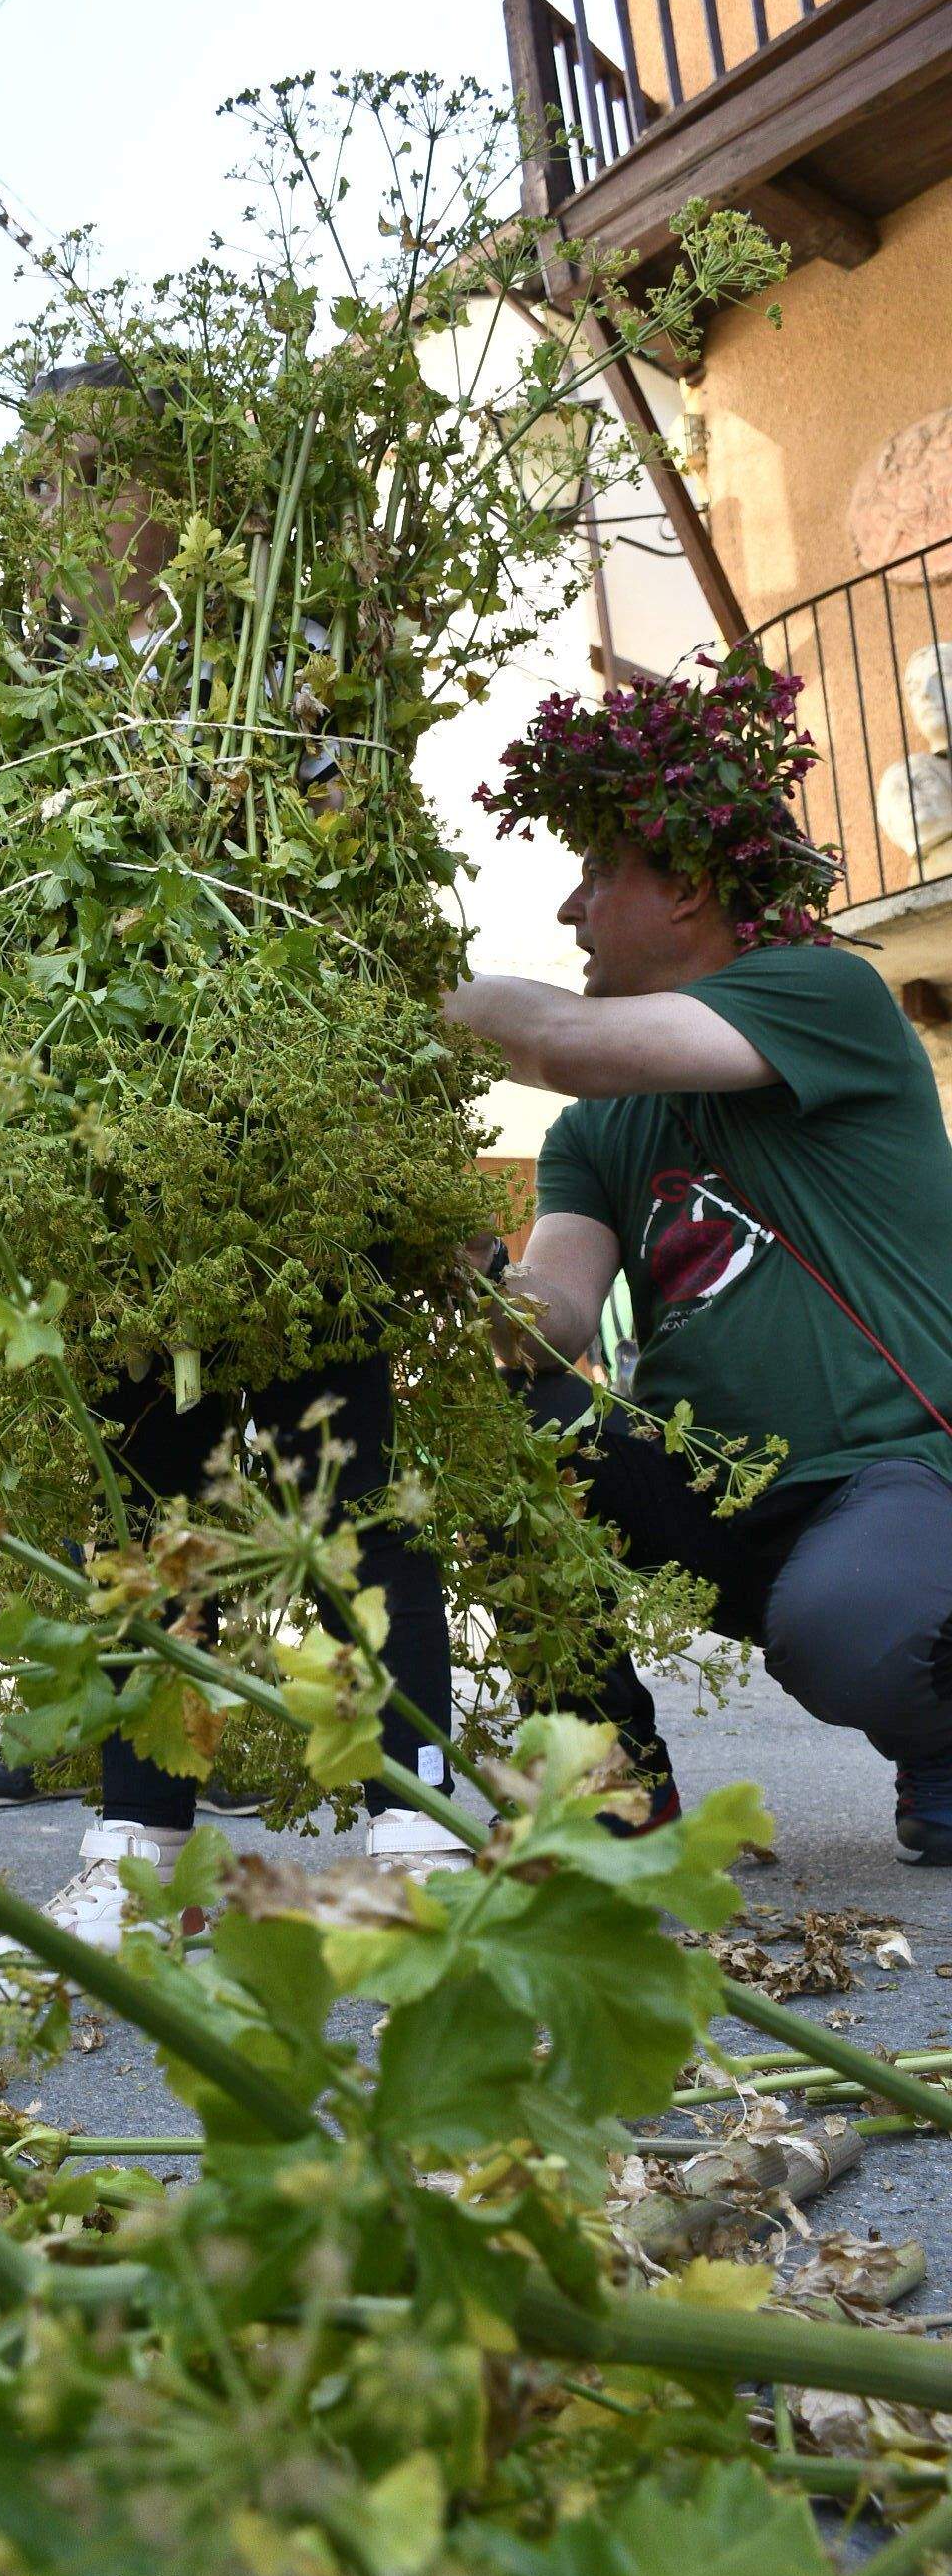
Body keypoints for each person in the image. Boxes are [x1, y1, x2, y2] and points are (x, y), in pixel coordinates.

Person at [0, 361, 464, 1957]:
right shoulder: (10, 686)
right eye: (36, 479)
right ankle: (136, 1831)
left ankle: (414, 1808)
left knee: (343, 1475)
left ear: (179, 494)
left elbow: (359, 883)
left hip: (286, 1125)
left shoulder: (290, 665)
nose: (55, 507)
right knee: (137, 1494)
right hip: (109, 1154)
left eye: (84, 471)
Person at [451, 654, 952, 1865]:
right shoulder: (593, 1133)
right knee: (493, 1434)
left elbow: (557, 1038)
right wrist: (465, 1277)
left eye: (594, 875)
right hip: (714, 1489)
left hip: (891, 1475)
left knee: (852, 1626)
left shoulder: (824, 997)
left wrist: (387, 1001)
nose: (570, 911)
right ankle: (614, 1794)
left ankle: (939, 1735)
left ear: (685, 892)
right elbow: (554, 1318)